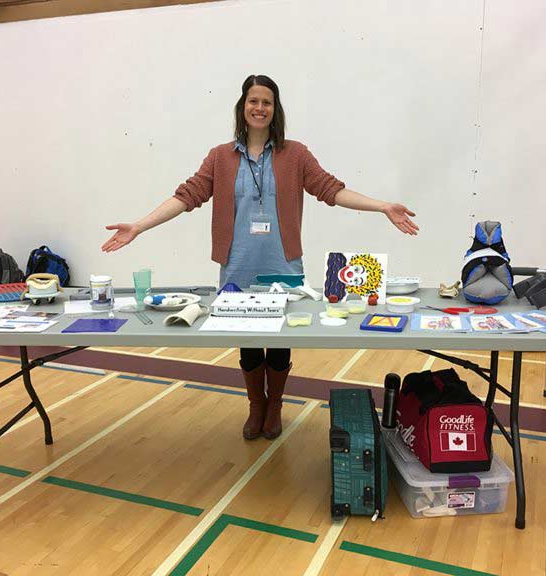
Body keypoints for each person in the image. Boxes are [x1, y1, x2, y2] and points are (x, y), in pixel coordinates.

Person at [102, 74, 419, 440]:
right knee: (249, 342)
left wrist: (382, 207)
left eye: (266, 102)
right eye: (253, 101)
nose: (259, 108)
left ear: (275, 109)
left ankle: (275, 407)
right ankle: (256, 405)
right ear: (243, 106)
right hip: (237, 266)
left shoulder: (295, 154)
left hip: (283, 266)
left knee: (280, 341)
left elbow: (331, 190)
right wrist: (139, 226)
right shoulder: (220, 157)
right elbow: (186, 196)